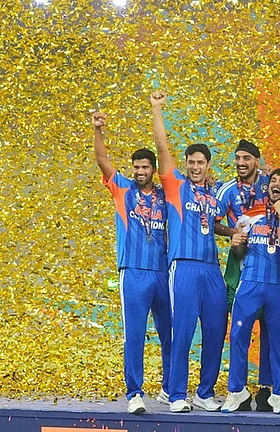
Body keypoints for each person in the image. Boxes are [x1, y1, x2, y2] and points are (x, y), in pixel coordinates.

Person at [150, 91, 231, 413]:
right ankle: (177, 392)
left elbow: (216, 225)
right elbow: (161, 148)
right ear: (185, 164)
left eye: (201, 162)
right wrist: (157, 110)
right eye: (192, 162)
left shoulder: (214, 194)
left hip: (211, 268)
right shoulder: (175, 185)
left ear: (208, 165)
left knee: (215, 331)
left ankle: (205, 392)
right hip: (183, 266)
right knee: (182, 332)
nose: (196, 167)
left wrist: (234, 233)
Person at [93, 111, 172, 415]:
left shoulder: (166, 195)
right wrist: (98, 130)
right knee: (135, 334)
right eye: (136, 167)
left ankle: (169, 388)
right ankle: (135, 393)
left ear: (153, 169)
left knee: (171, 332)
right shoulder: (122, 189)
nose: (140, 171)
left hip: (163, 271)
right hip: (134, 272)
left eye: (145, 167)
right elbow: (102, 160)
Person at [220, 169, 280, 415]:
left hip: (278, 285)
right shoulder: (250, 215)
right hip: (250, 282)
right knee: (239, 336)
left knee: (278, 343)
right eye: (273, 181)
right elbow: (239, 254)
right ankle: (236, 391)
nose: (276, 184)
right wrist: (236, 245)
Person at [214, 139, 276, 412]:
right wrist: (233, 234)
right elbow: (213, 221)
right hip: (241, 265)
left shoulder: (269, 184)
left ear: (257, 161)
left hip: (272, 264)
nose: (241, 163)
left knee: (271, 331)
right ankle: (237, 389)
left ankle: (267, 390)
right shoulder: (227, 190)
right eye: (238, 158)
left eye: (246, 158)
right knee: (239, 330)